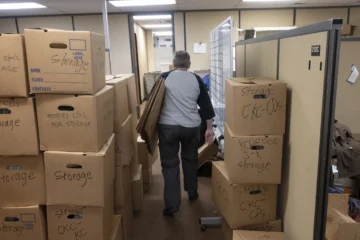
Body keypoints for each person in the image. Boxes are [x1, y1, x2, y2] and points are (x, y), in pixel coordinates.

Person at [158, 50, 215, 217]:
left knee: (170, 165)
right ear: (188, 64)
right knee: (190, 160)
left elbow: (154, 105)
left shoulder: (164, 77)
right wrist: (210, 129)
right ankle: (192, 194)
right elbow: (206, 106)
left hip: (168, 127)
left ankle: (172, 205)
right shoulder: (196, 79)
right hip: (191, 128)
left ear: (174, 63)